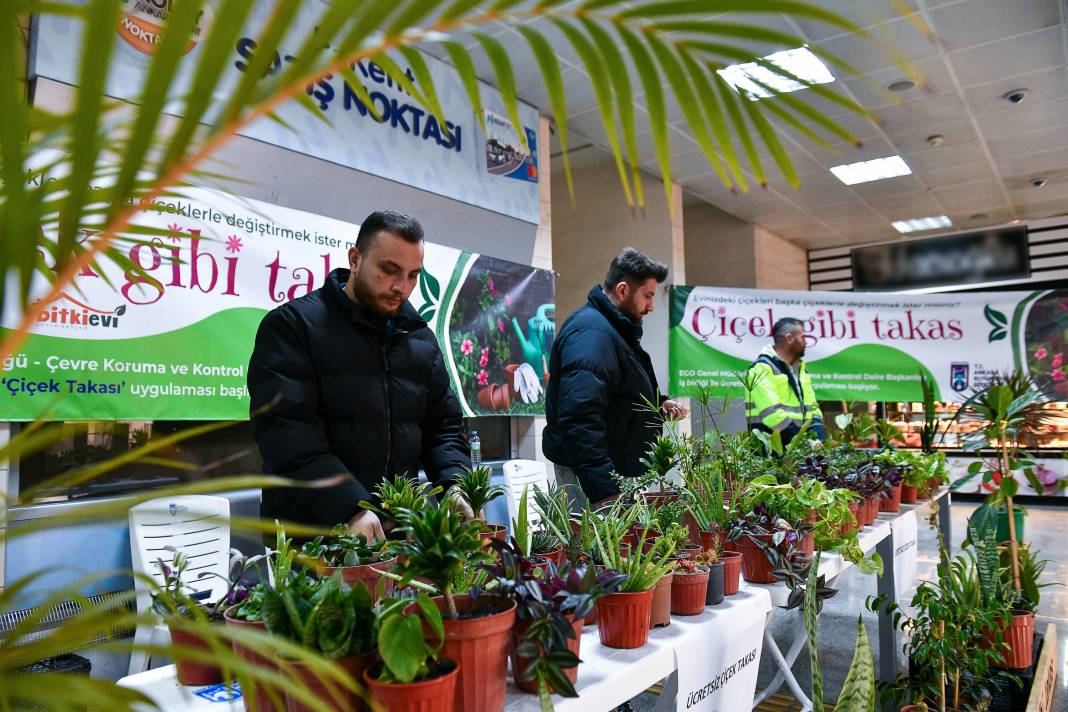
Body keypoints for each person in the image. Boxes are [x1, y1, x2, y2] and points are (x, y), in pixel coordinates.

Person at [248, 210, 473, 541]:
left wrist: (454, 484)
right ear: (355, 259)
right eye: (389, 270)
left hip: (397, 531)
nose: (402, 287)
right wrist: (349, 508)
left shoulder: (420, 340)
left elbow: (444, 426)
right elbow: (287, 435)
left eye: (413, 275)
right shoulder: (292, 327)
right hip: (312, 533)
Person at [543, 247, 688, 509]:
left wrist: (656, 405)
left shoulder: (613, 329)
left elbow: (617, 392)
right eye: (648, 296)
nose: (651, 306)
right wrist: (605, 493)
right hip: (591, 479)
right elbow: (580, 419)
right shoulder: (592, 334)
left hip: (606, 473)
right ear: (622, 291)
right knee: (590, 549)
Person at [745, 317, 824, 446]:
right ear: (789, 338)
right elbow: (771, 412)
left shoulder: (801, 370)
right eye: (803, 337)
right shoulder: (761, 368)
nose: (806, 342)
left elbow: (813, 409)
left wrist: (818, 438)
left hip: (801, 451)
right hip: (772, 452)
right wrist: (803, 443)